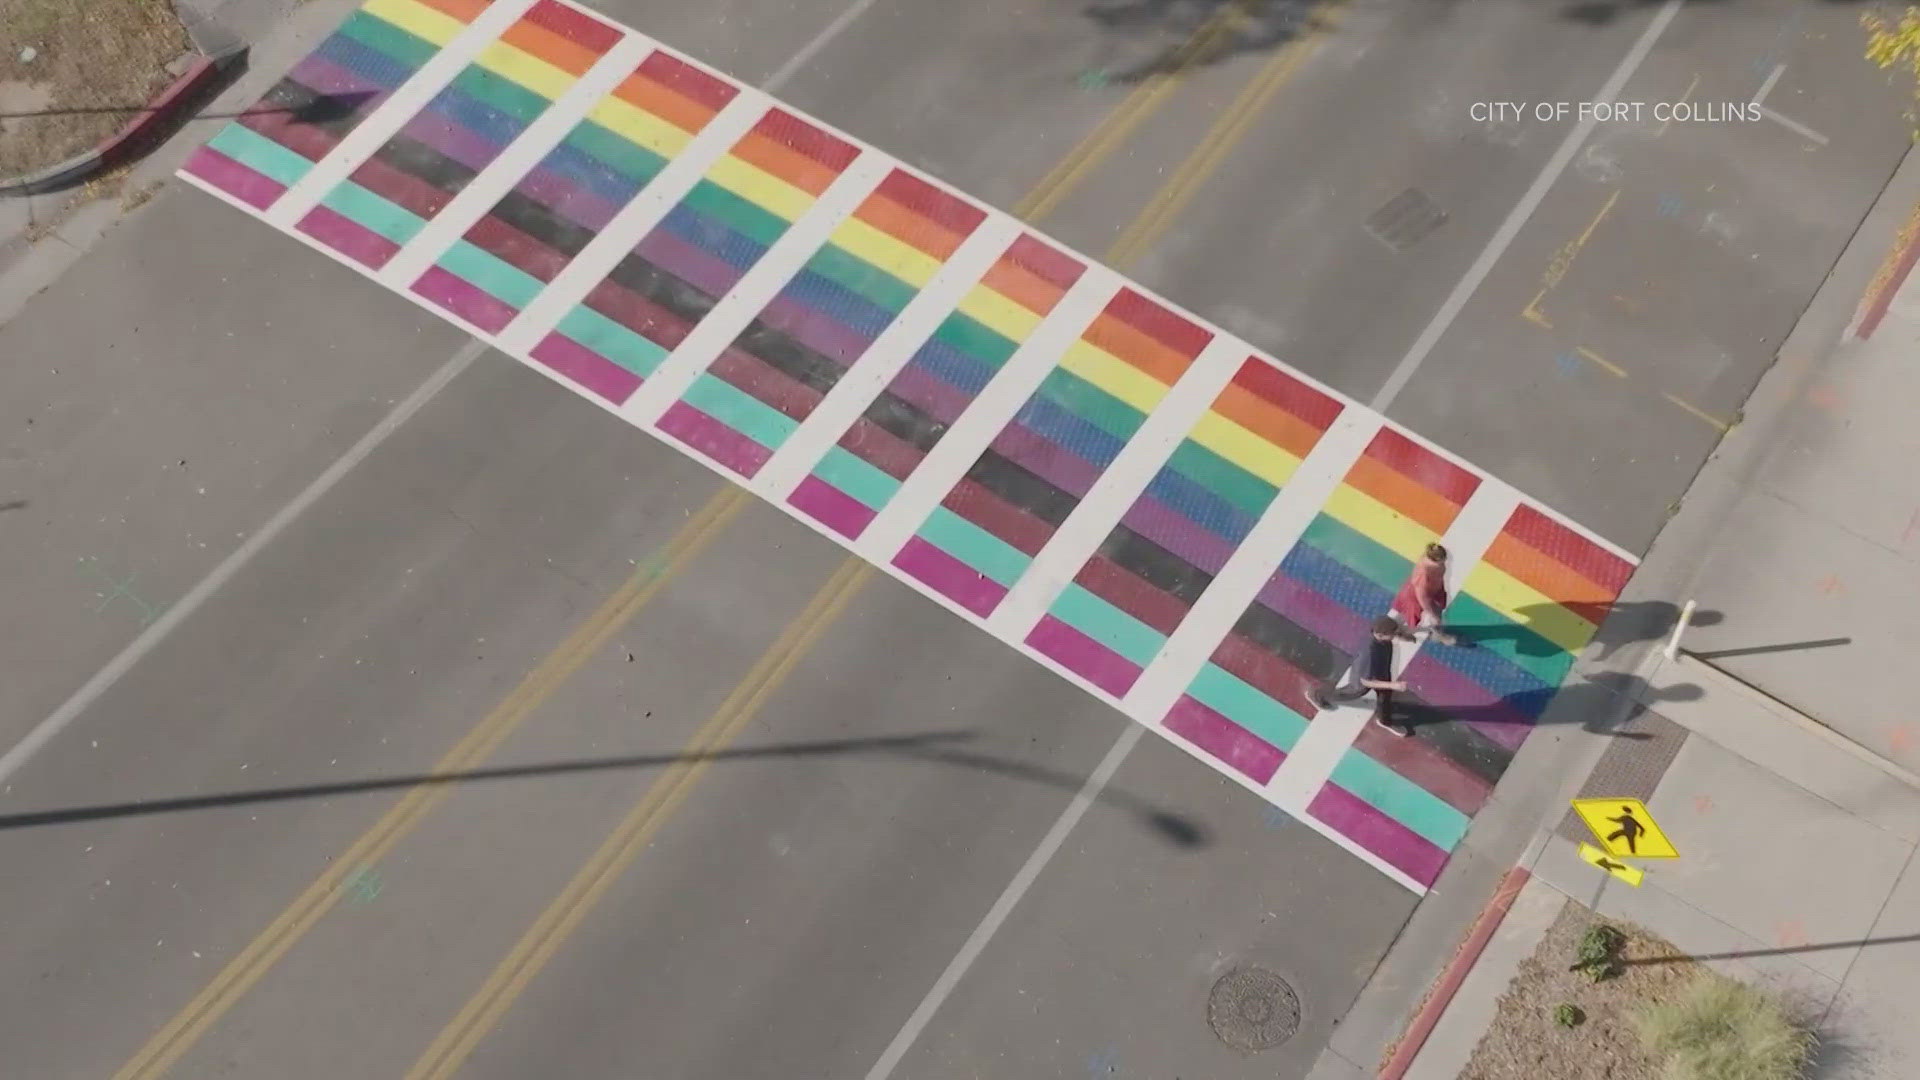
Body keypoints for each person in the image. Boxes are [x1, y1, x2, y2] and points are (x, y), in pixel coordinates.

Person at [1311, 615, 1416, 736]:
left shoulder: (1382, 639)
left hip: (1380, 669)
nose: (1394, 636)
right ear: (1380, 635)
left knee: (1385, 696)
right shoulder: (1370, 653)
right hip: (1363, 678)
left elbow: (1393, 634)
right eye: (1392, 634)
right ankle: (1318, 694)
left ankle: (1385, 720)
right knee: (1350, 693)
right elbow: (1366, 681)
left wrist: (1403, 636)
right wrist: (1393, 685)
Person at [1393, 543, 1458, 646]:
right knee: (1432, 616)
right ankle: (1437, 635)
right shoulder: (1424, 575)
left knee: (1406, 614)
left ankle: (1394, 629)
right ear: (1436, 560)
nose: (1445, 561)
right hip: (1417, 596)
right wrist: (1431, 613)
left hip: (1432, 590)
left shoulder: (1433, 562)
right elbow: (1422, 597)